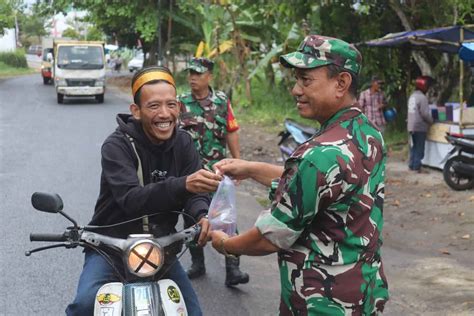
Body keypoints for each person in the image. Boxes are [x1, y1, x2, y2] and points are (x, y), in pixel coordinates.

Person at [209, 35, 389, 315]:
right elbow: (322, 184)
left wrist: (226, 244)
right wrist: (250, 167)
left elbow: (270, 237)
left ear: (341, 83)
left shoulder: (317, 154)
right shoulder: (366, 133)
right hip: (362, 291)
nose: (295, 90)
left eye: (306, 81)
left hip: (321, 302)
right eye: (296, 80)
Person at [66, 66, 222, 316]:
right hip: (110, 248)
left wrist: (202, 215)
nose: (164, 114)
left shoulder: (184, 143)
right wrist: (182, 184)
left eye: (171, 104)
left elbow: (195, 194)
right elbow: (130, 199)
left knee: (192, 313)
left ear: (179, 108)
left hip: (160, 248)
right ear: (136, 111)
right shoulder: (116, 146)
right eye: (154, 106)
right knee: (84, 306)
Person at [178, 57, 249, 286]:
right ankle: (197, 263)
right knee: (191, 219)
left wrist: (238, 162)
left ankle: (233, 269)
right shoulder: (180, 103)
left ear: (209, 76)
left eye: (198, 74)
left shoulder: (221, 101)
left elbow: (231, 131)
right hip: (190, 174)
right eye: (190, 73)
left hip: (218, 174)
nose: (192, 78)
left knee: (226, 219)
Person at [407, 75, 434, 173]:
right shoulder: (422, 98)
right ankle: (417, 166)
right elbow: (425, 114)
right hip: (419, 126)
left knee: (413, 146)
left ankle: (411, 165)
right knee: (419, 147)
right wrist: (431, 121)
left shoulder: (412, 96)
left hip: (411, 126)